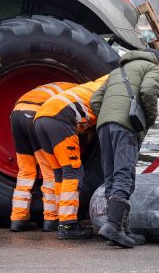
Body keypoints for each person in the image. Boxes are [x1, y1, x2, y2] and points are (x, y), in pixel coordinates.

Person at [89, 50, 159, 248]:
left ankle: (119, 230)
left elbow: (95, 101)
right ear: (158, 62)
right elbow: (148, 91)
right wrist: (148, 119)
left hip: (104, 126)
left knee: (111, 176)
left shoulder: (116, 71)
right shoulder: (152, 68)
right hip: (126, 127)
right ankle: (113, 226)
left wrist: (107, 117)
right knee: (124, 174)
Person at [34, 75, 108, 239]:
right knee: (72, 171)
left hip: (41, 118)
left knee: (59, 173)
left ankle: (62, 220)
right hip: (60, 119)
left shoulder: (97, 83)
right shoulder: (114, 86)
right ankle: (68, 224)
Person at [9, 81, 78, 232]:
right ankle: (51, 219)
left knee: (25, 171)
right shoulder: (77, 93)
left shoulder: (60, 85)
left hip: (16, 113)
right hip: (35, 112)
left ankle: (18, 218)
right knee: (50, 171)